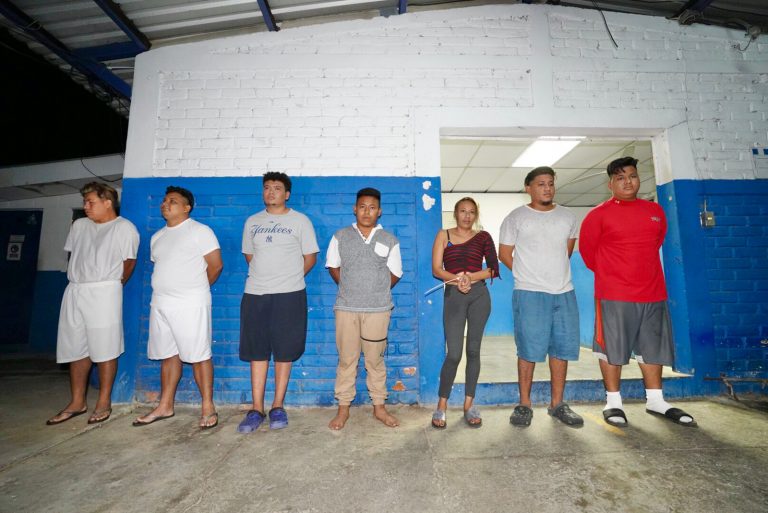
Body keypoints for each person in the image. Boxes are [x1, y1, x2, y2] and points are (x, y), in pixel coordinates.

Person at [579, 156, 696, 428]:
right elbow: (588, 253)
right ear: (610, 184)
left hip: (653, 293)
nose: (628, 182)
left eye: (632, 176)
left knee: (652, 348)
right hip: (614, 295)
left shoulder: (654, 211)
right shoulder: (598, 215)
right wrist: (616, 274)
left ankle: (656, 400)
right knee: (611, 348)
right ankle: (613, 402)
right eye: (620, 178)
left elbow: (656, 242)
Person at [47, 182, 139, 426]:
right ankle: (77, 401)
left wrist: (112, 286)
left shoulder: (124, 228)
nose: (86, 206)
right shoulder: (79, 225)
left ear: (108, 202)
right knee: (75, 346)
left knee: (105, 346)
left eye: (91, 202)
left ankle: (104, 401)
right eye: (84, 202)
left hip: (104, 290)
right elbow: (75, 254)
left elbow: (129, 262)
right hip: (75, 289)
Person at [132, 186, 223, 429]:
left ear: (186, 207)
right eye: (164, 200)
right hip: (161, 303)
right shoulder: (157, 237)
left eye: (172, 201)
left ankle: (208, 407)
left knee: (199, 355)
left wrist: (194, 289)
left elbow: (215, 266)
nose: (165, 204)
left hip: (191, 303)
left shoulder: (200, 231)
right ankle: (165, 406)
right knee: (168, 355)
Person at [499, 167, 583, 428]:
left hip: (564, 292)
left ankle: (557, 404)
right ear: (528, 188)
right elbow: (504, 254)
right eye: (540, 184)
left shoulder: (568, 217)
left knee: (561, 349)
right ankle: (524, 404)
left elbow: (566, 251)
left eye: (550, 183)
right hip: (529, 293)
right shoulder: (516, 217)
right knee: (528, 349)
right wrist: (526, 275)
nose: (547, 188)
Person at [237, 172, 319, 433]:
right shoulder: (252, 222)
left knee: (284, 351)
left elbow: (310, 257)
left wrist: (289, 278)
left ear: (287, 194)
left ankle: (277, 406)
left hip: (290, 294)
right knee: (257, 352)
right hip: (255, 294)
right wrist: (267, 278)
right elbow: (250, 256)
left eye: (277, 188)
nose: (271, 192)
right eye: (267, 187)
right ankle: (256, 409)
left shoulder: (300, 221)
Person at [326, 188, 403, 430]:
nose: (366, 211)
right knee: (346, 360)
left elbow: (396, 273)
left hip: (378, 310)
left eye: (372, 207)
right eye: (362, 207)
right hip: (346, 308)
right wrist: (350, 288)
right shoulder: (340, 236)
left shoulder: (389, 239)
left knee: (375, 361)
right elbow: (333, 266)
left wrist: (376, 291)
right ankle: (343, 409)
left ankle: (379, 408)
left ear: (379, 211)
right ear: (355, 209)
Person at [430, 197, 499, 429]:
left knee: (473, 351)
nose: (467, 216)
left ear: (475, 215)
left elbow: (493, 269)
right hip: (454, 295)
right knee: (454, 354)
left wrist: (470, 277)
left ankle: (469, 405)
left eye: (471, 212)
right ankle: (441, 405)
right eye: (462, 211)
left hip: (479, 296)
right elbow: (436, 269)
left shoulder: (484, 237)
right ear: (456, 213)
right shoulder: (444, 235)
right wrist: (457, 279)